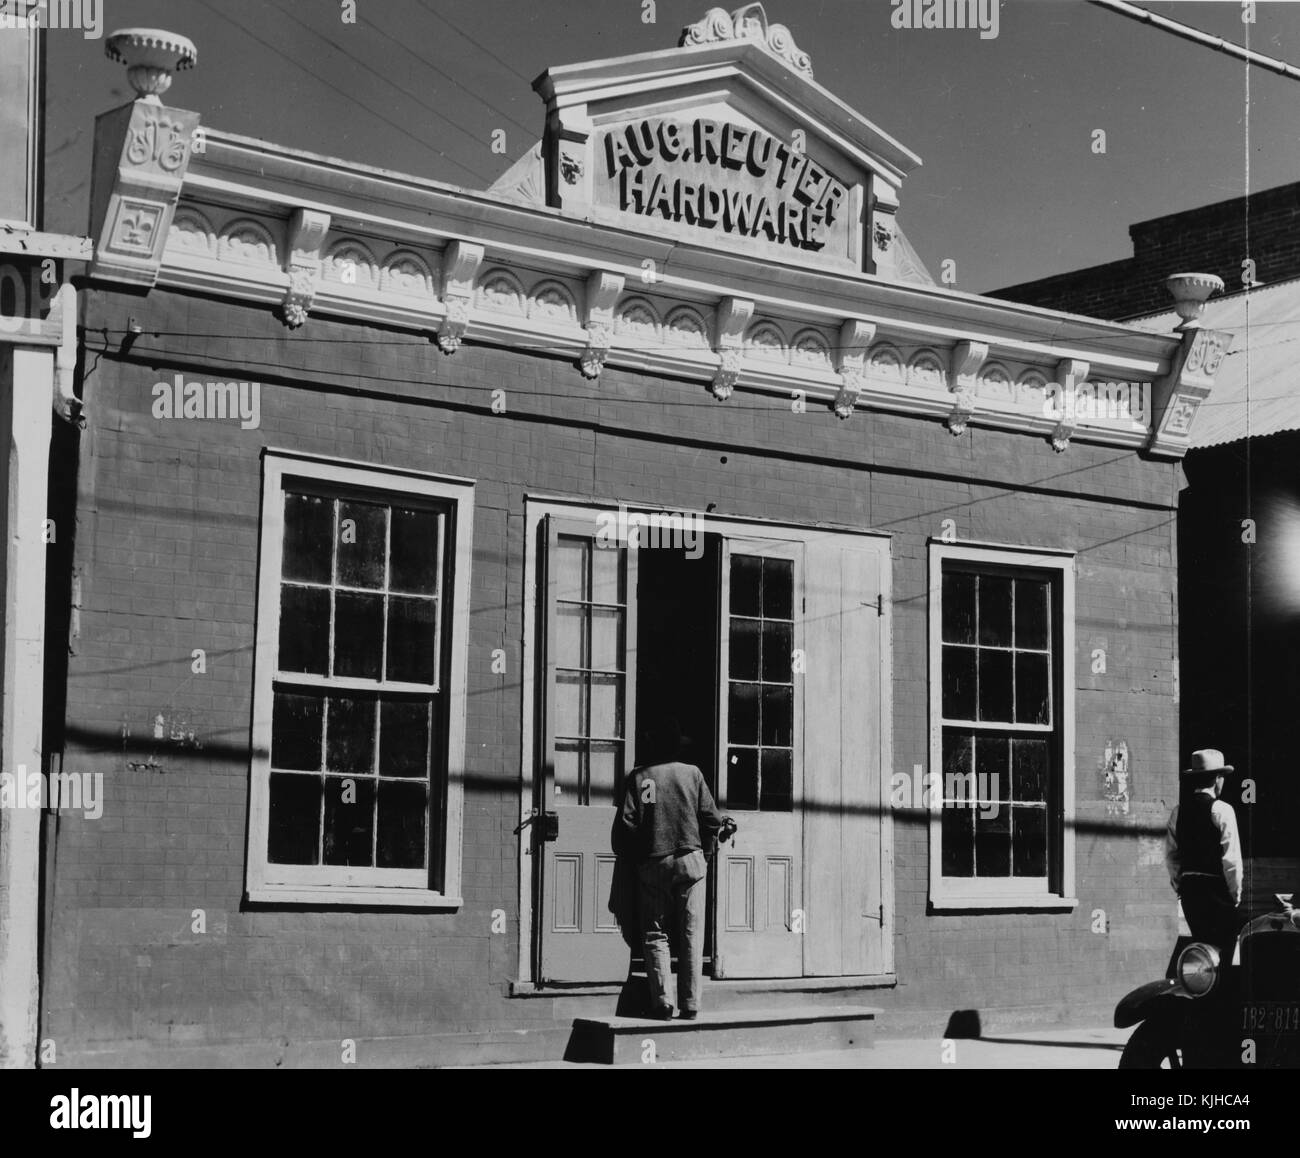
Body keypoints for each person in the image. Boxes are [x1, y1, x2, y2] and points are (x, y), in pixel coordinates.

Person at [614, 717, 730, 1020]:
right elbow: (712, 820)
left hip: (654, 862)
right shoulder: (692, 774)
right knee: (692, 934)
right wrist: (704, 853)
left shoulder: (639, 777)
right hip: (690, 861)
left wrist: (640, 856)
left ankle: (663, 1001)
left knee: (655, 934)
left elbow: (626, 827)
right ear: (678, 746)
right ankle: (690, 1004)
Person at [1165, 749, 1244, 959]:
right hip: (1217, 892)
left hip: (1191, 893)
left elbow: (1171, 855)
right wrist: (1235, 897)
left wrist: (1180, 886)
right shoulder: (1223, 810)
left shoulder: (1177, 811)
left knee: (1202, 952)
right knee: (1223, 955)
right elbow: (1231, 859)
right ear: (1218, 778)